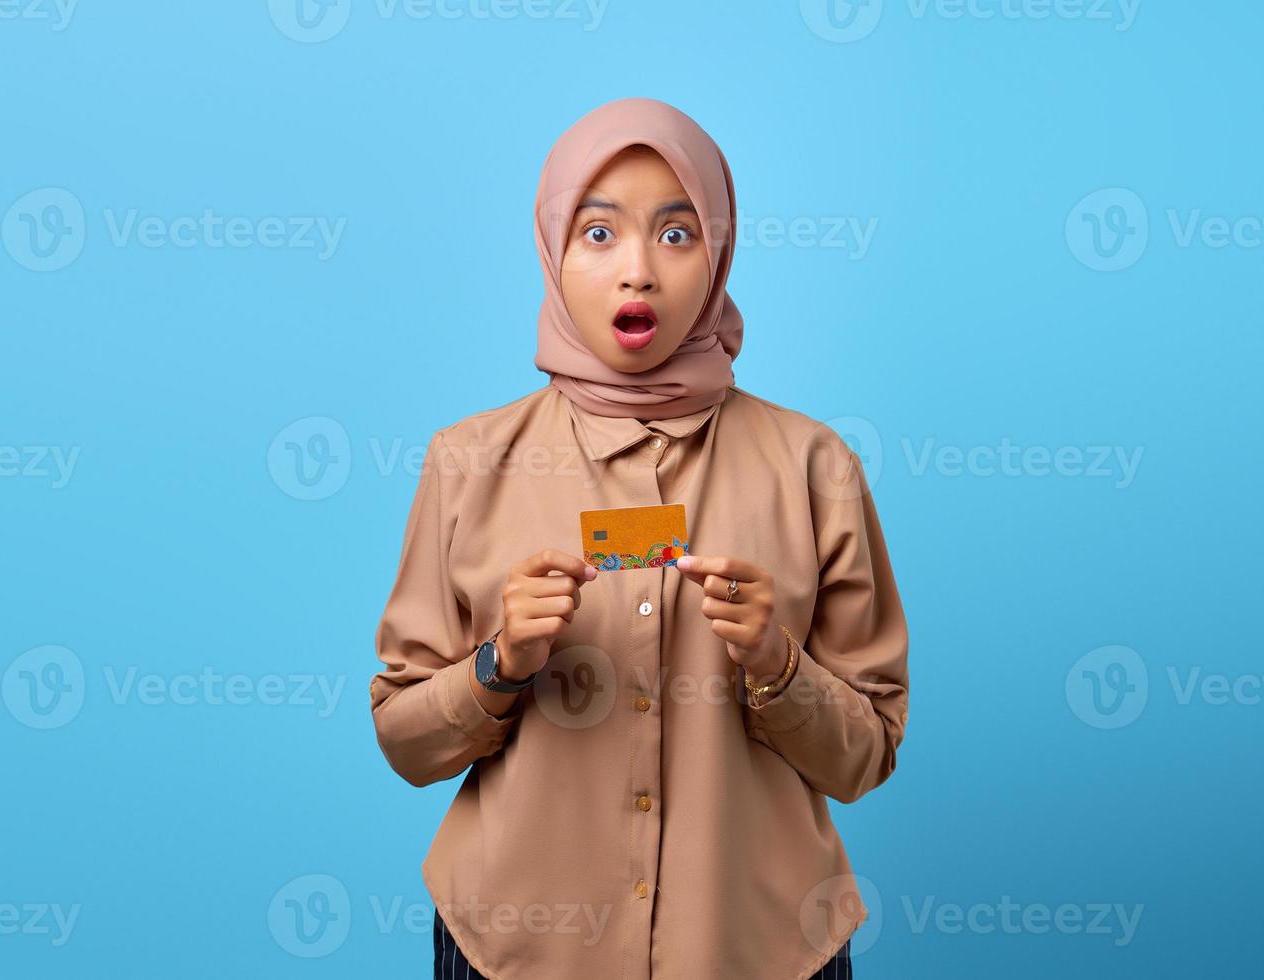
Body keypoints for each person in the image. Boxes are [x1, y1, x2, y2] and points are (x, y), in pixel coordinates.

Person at [369, 96, 908, 980]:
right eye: (597, 233)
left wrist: (777, 665)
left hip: (760, 947)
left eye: (674, 233)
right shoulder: (466, 461)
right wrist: (497, 665)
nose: (637, 273)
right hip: (514, 950)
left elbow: (868, 756)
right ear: (551, 248)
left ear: (718, 253)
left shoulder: (818, 467)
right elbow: (404, 741)